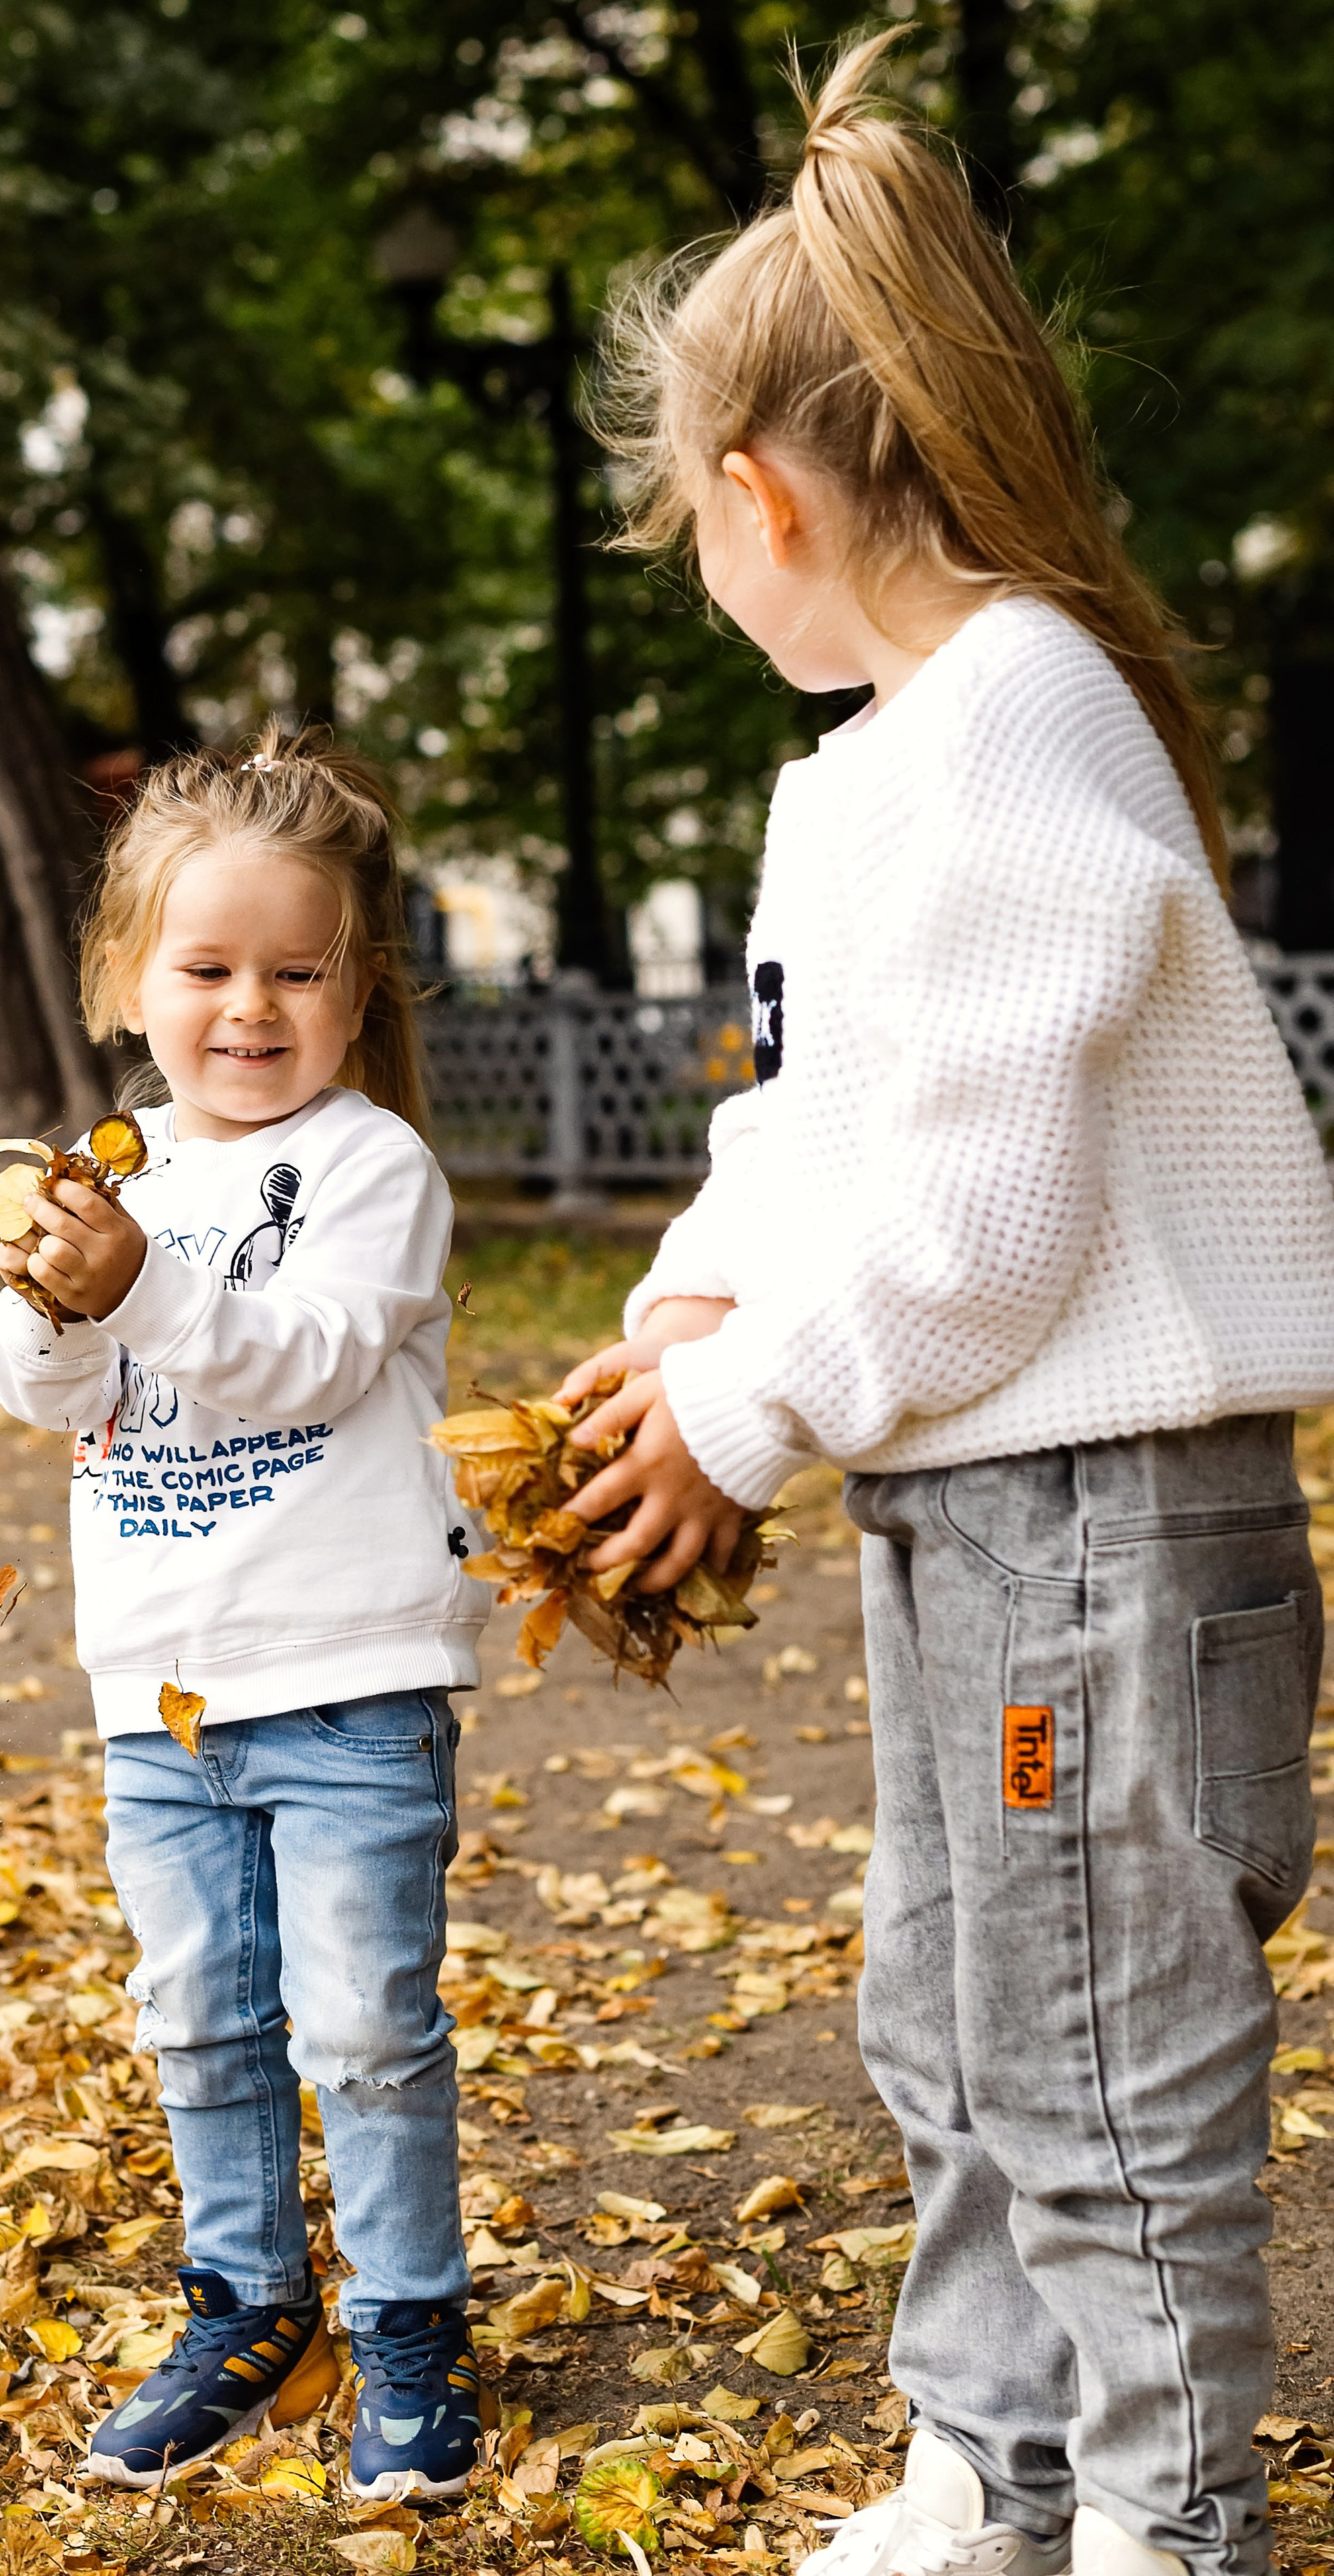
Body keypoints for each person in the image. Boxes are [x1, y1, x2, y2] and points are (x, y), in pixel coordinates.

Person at [560, 32, 1334, 2576]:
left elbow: (987, 1212)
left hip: (1099, 1523)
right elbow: (818, 1127)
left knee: (1102, 2040)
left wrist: (762, 1405)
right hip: (983, 1517)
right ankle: (990, 2467)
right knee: (960, 2011)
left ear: (764, 494)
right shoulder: (878, 761)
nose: (695, 560)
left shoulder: (1014, 718)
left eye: (689, 519)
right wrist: (696, 1312)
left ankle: (1160, 2511)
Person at [0, 725, 493, 2500]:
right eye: (207, 968)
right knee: (199, 2014)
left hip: (352, 1677)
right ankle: (246, 2297)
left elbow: (306, 1357)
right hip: (164, 1696)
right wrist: (54, 1296)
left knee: (362, 2020)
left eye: (296, 971)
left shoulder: (375, 1169)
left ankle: (411, 2324)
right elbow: (45, 1391)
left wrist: (143, 1282)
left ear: (360, 989)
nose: (249, 1007)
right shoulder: (112, 1168)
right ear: (132, 979)